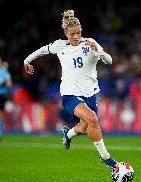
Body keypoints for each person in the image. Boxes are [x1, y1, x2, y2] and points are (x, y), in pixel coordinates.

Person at [23, 10, 118, 169]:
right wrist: (27, 61)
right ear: (66, 33)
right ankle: (106, 158)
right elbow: (41, 50)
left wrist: (99, 51)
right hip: (70, 94)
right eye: (72, 34)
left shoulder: (89, 43)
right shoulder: (60, 46)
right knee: (93, 119)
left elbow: (109, 61)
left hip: (90, 94)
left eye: (78, 33)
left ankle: (68, 134)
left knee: (85, 127)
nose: (76, 37)